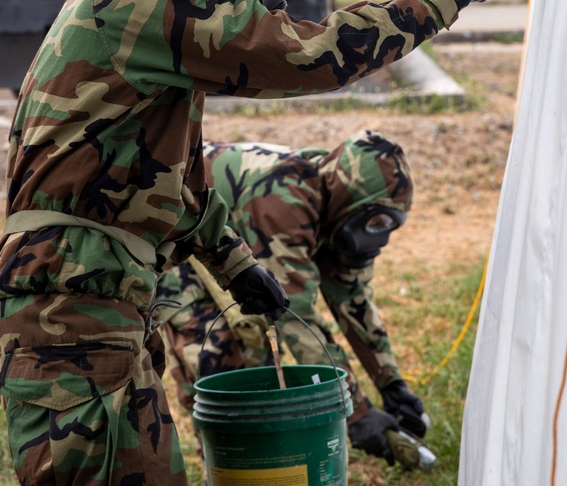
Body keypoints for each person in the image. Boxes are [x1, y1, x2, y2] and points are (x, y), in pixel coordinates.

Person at [0, 0, 527, 485]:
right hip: (73, 305)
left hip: (95, 301)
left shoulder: (147, 21)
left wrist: (238, 266)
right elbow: (314, 54)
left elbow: (177, 184)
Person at [157, 131, 427, 466]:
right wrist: (356, 412)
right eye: (375, 221)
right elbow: (295, 317)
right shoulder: (286, 196)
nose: (380, 237)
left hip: (233, 251)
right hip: (183, 240)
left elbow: (353, 300)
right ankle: (228, 462)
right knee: (229, 365)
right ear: (351, 198)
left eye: (390, 225)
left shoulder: (335, 209)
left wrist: (391, 383)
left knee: (263, 371)